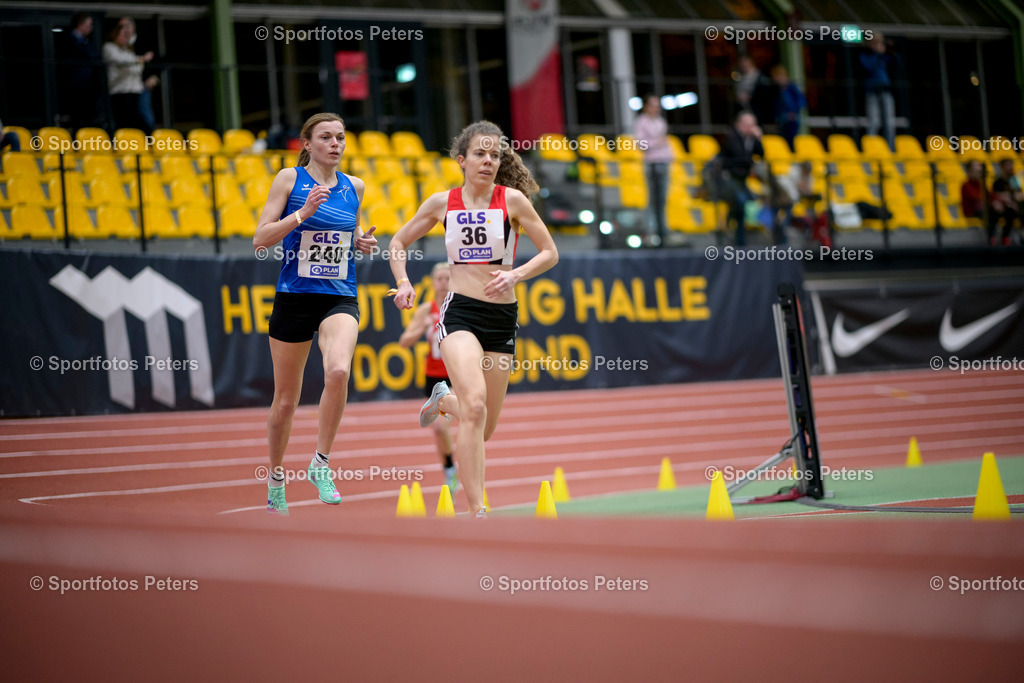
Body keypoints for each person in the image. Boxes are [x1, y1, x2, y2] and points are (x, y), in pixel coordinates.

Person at [388, 121, 559, 518]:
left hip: (502, 318)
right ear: (461, 159)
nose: (488, 161)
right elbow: (397, 242)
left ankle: (442, 400)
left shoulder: (513, 200)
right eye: (480, 154)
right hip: (460, 311)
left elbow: (550, 252)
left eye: (495, 155)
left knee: (482, 428)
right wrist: (402, 282)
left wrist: (515, 274)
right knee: (476, 405)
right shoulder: (441, 202)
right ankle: (478, 510)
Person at [253, 112, 378, 515]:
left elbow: (351, 232)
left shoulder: (354, 187)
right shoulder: (289, 180)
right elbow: (260, 239)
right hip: (294, 296)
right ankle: (275, 477)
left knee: (338, 371)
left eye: (341, 137)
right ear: (307, 144)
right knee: (286, 402)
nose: (336, 144)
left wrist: (361, 241)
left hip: (339, 295)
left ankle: (320, 463)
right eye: (326, 137)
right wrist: (302, 213)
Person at [397, 262, 459, 493]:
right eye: (439, 279)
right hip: (434, 377)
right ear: (433, 282)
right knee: (440, 428)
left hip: (457, 374)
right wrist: (421, 327)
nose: (443, 283)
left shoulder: (460, 307)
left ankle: (461, 469)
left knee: (462, 422)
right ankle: (450, 469)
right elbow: (404, 342)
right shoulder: (426, 309)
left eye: (447, 278)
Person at [718, 111, 764, 247]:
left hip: (741, 180)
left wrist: (759, 139)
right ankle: (735, 236)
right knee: (741, 202)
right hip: (728, 180)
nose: (751, 128)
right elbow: (740, 157)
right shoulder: (732, 137)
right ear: (739, 125)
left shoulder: (750, 139)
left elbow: (761, 154)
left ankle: (736, 235)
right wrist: (751, 163)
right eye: (748, 125)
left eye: (753, 125)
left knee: (743, 205)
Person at [634, 94, 674, 247]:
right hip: (652, 164)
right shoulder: (641, 122)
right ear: (646, 107)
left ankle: (663, 230)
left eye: (658, 106)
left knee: (663, 199)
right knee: (653, 198)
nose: (656, 108)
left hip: (664, 163)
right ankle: (651, 231)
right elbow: (641, 144)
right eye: (653, 105)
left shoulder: (661, 121)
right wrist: (657, 143)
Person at [102, 18, 153, 133]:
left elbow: (138, 68)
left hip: (134, 90)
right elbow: (120, 60)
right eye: (120, 35)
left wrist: (138, 61)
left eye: (126, 36)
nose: (123, 38)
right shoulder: (109, 48)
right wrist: (140, 59)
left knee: (138, 121)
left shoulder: (129, 51)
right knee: (123, 121)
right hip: (119, 91)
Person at [59, 13, 102, 131]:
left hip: (88, 85)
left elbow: (95, 56)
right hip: (74, 85)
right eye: (89, 24)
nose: (91, 28)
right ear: (81, 24)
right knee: (76, 118)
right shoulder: (68, 39)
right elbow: (84, 54)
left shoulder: (87, 41)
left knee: (88, 118)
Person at [860, 34, 897, 150]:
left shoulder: (884, 56)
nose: (877, 45)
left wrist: (889, 49)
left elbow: (896, 62)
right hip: (872, 91)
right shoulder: (866, 55)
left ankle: (890, 150)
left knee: (889, 123)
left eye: (879, 42)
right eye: (874, 42)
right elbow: (868, 67)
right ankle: (871, 149)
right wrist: (876, 53)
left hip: (885, 90)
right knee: (874, 122)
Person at [771, 65, 805, 147]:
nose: (776, 79)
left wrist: (793, 112)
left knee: (791, 141)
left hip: (791, 118)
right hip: (781, 119)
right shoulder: (776, 89)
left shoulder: (792, 87)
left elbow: (801, 101)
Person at [989, 159, 1021, 246]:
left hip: (1013, 207)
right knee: (994, 212)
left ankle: (1008, 236)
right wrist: (1007, 199)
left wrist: (1010, 198)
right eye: (1008, 165)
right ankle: (992, 237)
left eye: (1011, 165)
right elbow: (996, 196)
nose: (1011, 168)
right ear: (1002, 167)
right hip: (1001, 207)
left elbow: (1019, 194)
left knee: (1013, 210)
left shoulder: (1014, 180)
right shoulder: (997, 182)